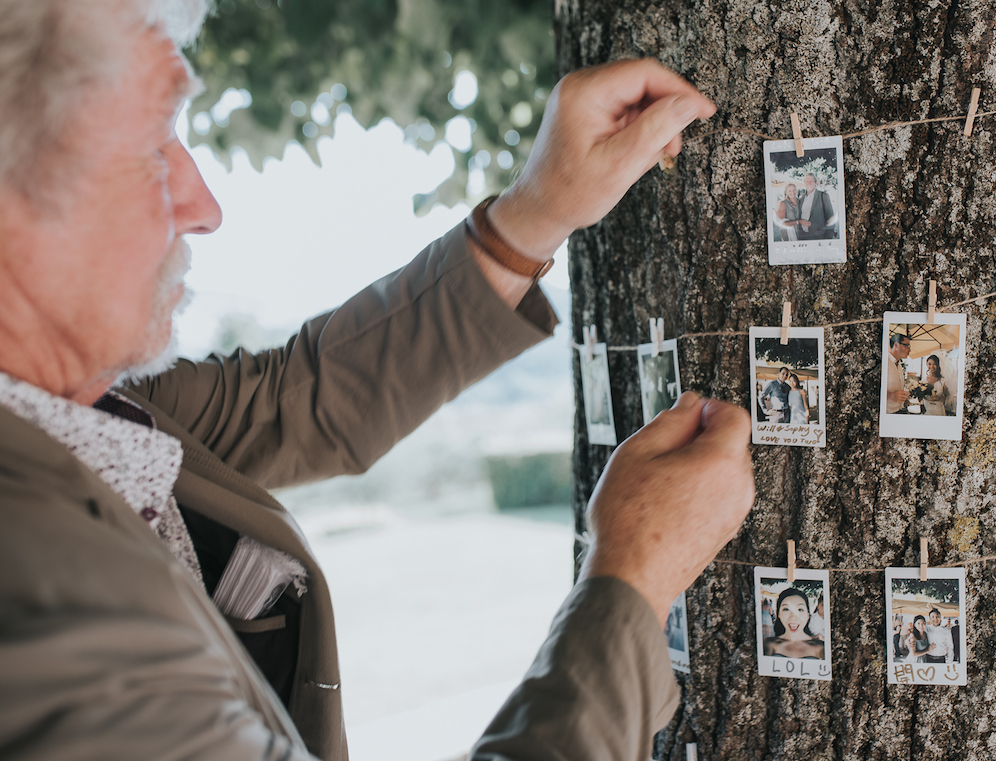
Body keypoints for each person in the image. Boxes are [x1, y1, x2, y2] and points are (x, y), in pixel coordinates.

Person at [0, 3, 755, 759]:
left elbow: (298, 398)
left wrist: (531, 215)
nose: (204, 206)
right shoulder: (38, 610)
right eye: (147, 147)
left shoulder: (78, 417)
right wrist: (630, 586)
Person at [762, 588, 824, 659]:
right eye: (786, 609)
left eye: (800, 609)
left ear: (807, 615)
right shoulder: (769, 643)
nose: (793, 617)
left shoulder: (821, 647)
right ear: (779, 614)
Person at [793, 173, 836, 240]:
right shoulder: (801, 199)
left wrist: (827, 238)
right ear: (804, 183)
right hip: (803, 237)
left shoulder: (823, 196)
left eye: (811, 181)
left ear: (815, 183)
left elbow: (830, 218)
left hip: (819, 237)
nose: (809, 183)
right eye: (807, 181)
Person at [885, 333, 911, 414]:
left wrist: (904, 400)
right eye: (907, 345)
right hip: (888, 413)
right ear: (896, 344)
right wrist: (890, 396)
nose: (910, 350)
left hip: (900, 410)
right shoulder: (885, 362)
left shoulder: (899, 365)